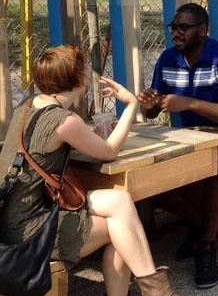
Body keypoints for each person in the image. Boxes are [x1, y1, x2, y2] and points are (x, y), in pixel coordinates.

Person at [0, 45, 177, 296]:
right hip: (29, 235)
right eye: (83, 69)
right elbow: (109, 152)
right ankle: (157, 291)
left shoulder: (27, 106)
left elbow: (44, 147)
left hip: (13, 217)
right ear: (77, 78)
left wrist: (86, 137)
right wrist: (129, 105)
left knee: (121, 202)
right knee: (123, 230)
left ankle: (154, 289)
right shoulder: (64, 121)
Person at [137, 3, 218, 289]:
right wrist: (150, 104)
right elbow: (154, 113)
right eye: (173, 27)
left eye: (183, 28)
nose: (175, 34)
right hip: (189, 133)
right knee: (145, 174)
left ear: (202, 30)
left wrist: (189, 102)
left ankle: (206, 244)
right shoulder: (167, 59)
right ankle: (205, 224)